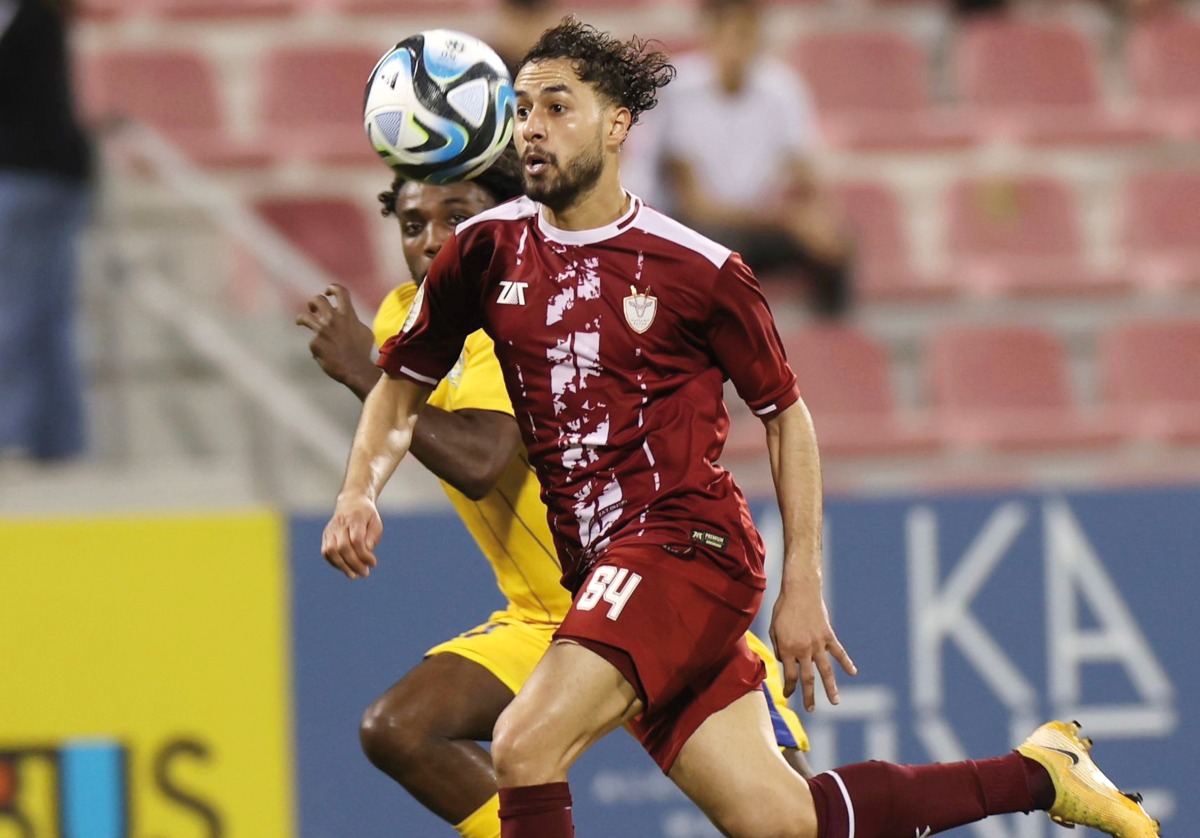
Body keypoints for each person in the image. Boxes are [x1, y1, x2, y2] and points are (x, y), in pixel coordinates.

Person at [321, 17, 1161, 838]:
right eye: (525, 110)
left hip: (684, 549)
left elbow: (788, 418)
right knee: (782, 820)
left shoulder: (698, 268)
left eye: (558, 108)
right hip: (598, 575)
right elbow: (402, 385)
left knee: (523, 743)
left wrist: (803, 588)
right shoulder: (485, 254)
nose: (533, 129)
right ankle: (1041, 773)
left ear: (616, 125)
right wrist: (359, 491)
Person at [298, 146, 814, 838]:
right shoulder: (405, 318)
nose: (430, 241)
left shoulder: (509, 317)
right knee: (399, 729)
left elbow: (481, 456)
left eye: (457, 218)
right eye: (412, 222)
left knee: (787, 823)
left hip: (646, 595)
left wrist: (368, 373)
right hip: (542, 616)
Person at [632, 0, 853, 317]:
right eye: (730, 33)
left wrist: (820, 220)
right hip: (695, 230)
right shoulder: (675, 92)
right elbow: (695, 205)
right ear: (709, 35)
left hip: (756, 224)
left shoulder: (782, 88)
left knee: (839, 244)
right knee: (721, 250)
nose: (738, 46)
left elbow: (804, 173)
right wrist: (789, 221)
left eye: (747, 33)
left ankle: (836, 345)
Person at [0, 0, 91, 462]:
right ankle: (61, 439)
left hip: (24, 177)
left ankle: (14, 435)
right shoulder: (43, 18)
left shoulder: (28, 19)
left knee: (16, 313)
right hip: (56, 176)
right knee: (46, 316)